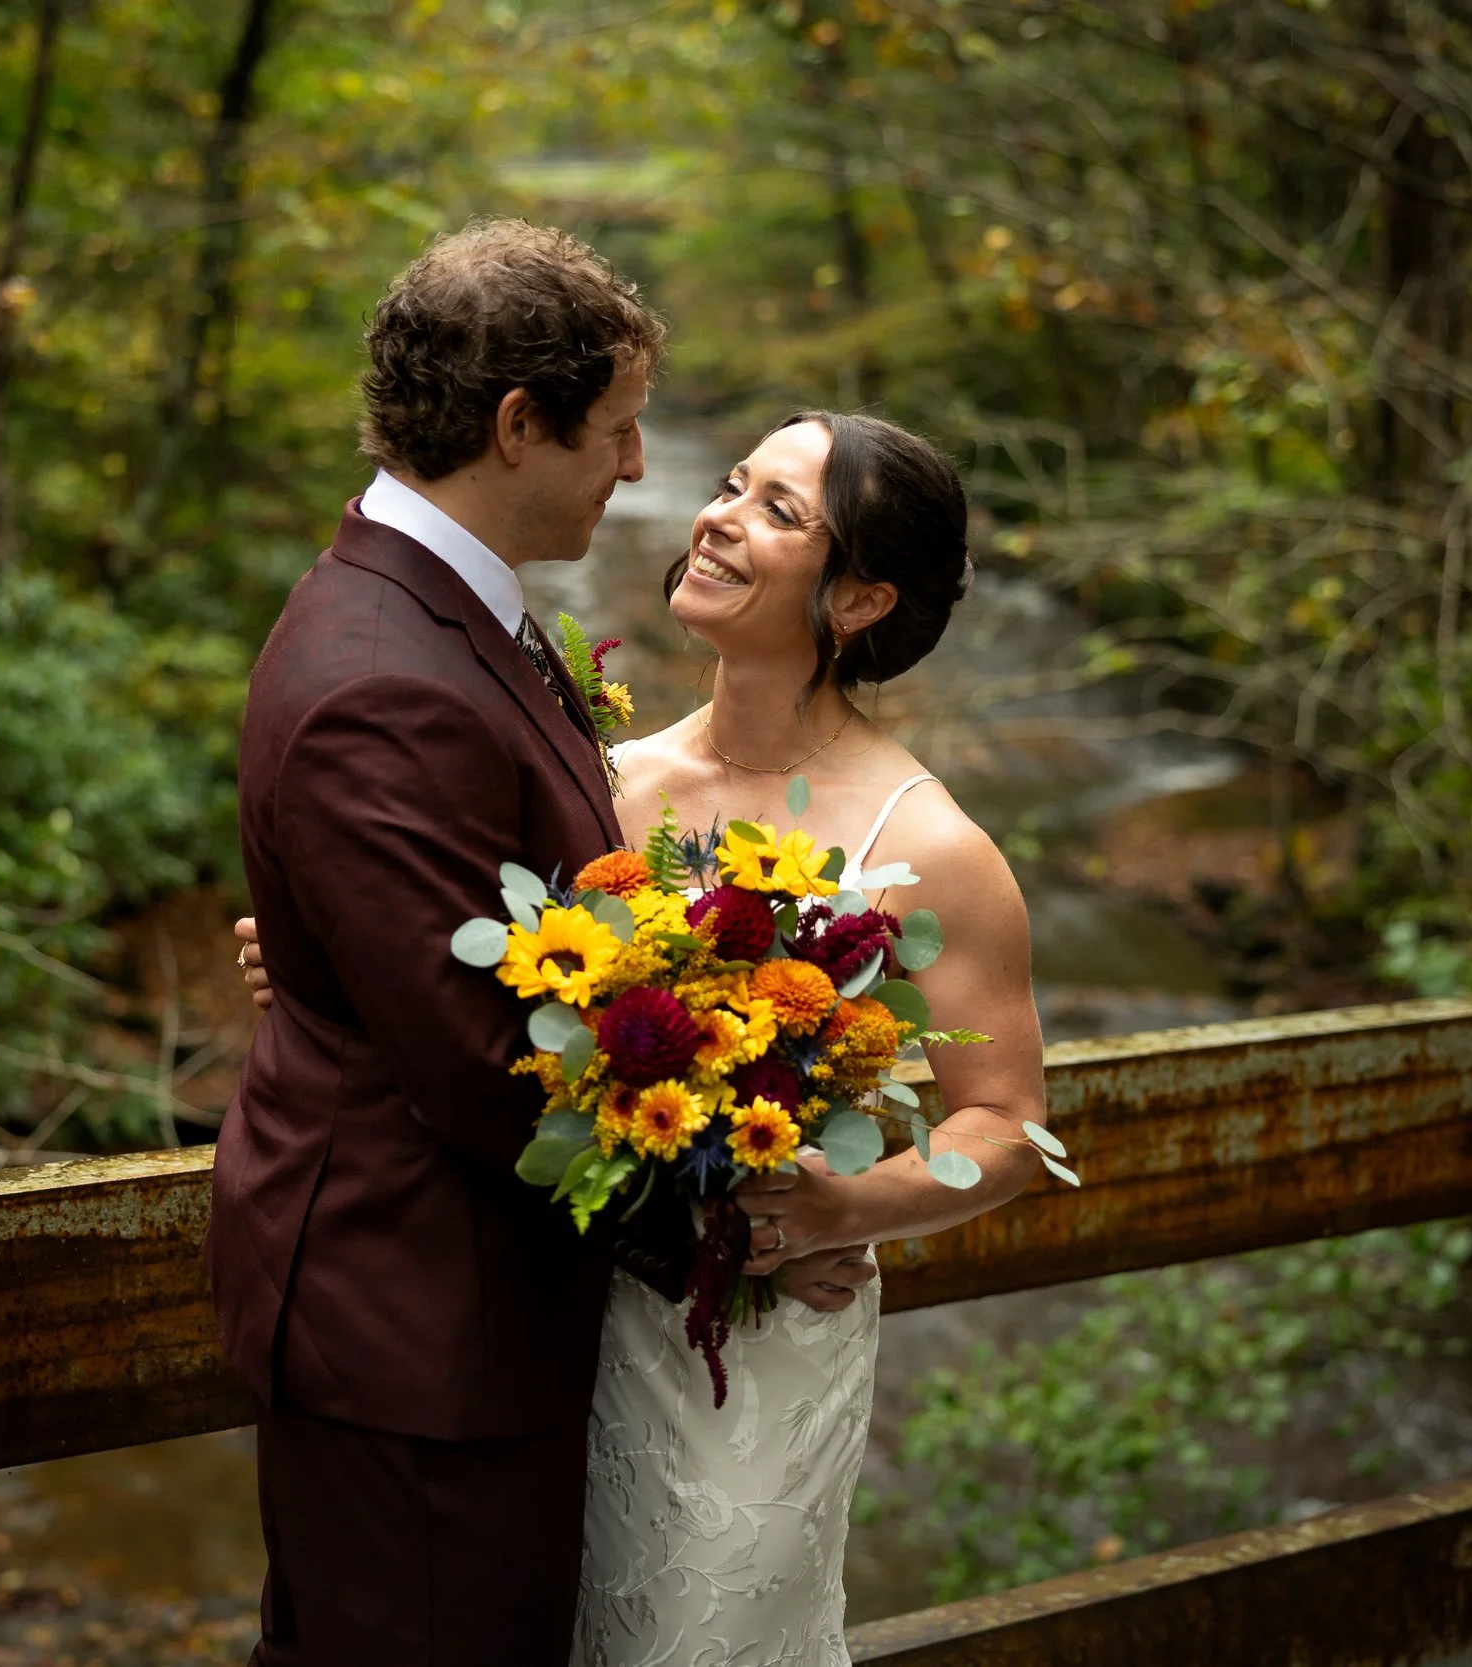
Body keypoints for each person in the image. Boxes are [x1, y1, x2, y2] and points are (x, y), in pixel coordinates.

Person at [237, 406, 1048, 1663]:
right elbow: (471, 999)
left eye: (779, 510)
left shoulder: (929, 846)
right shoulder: (605, 778)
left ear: (859, 598)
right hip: (566, 1309)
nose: (716, 514)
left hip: (761, 1341)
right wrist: (306, 959)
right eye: (732, 483)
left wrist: (845, 1208)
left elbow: (1005, 1132)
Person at [205, 218, 662, 1666]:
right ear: (520, 425)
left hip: (448, 1313)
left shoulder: (450, 611)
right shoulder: (381, 680)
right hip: (416, 1325)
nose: (638, 469)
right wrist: (733, 1197)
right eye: (619, 431)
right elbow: (481, 1065)